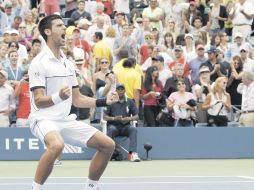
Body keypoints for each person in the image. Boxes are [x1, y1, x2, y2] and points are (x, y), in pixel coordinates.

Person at [28, 15, 117, 190]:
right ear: (48, 31)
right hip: (43, 119)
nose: (65, 29)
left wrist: (103, 101)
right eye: (60, 25)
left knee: (107, 145)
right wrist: (58, 97)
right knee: (57, 145)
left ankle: (91, 187)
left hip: (65, 119)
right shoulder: (38, 63)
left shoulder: (68, 64)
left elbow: (78, 99)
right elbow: (38, 101)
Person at [103, 83, 140, 162]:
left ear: (124, 90)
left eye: (122, 89)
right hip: (114, 126)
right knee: (111, 129)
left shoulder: (130, 101)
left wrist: (129, 118)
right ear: (115, 91)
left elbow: (137, 116)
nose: (120, 91)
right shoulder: (111, 101)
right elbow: (104, 117)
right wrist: (114, 118)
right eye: (118, 90)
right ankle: (109, 154)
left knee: (133, 129)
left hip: (125, 127)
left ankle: (132, 154)